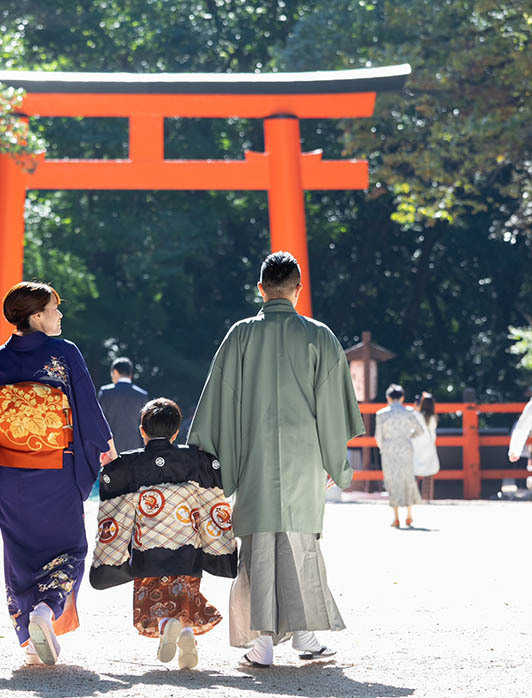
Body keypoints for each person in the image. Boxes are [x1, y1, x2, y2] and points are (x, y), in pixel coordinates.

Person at [187, 251, 363, 669]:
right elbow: (334, 408)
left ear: (260, 289)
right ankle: (305, 635)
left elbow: (220, 401)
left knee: (260, 544)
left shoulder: (241, 335)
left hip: (254, 454)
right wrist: (333, 461)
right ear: (298, 291)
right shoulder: (319, 335)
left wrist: (214, 462)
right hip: (305, 457)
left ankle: (264, 641)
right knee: (301, 543)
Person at [0, 281, 115, 666]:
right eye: (54, 309)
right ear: (36, 316)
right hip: (56, 473)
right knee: (72, 549)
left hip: (11, 477)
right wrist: (106, 448)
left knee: (20, 556)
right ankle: (48, 609)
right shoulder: (64, 353)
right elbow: (87, 407)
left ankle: (29, 635)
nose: (60, 315)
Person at [90, 398, 237, 669]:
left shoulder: (130, 464)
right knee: (185, 596)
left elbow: (114, 499)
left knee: (155, 598)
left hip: (148, 553)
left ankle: (168, 625)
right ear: (176, 431)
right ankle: (186, 636)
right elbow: (213, 494)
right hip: (187, 549)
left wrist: (111, 466)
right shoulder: (194, 459)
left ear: (142, 431)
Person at [375, 384, 422, 527]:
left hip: (389, 448)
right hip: (405, 447)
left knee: (392, 480)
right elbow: (419, 430)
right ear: (402, 397)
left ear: (388, 398)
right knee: (407, 479)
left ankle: (396, 518)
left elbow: (378, 436)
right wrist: (408, 436)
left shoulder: (381, 414)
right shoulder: (409, 412)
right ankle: (409, 515)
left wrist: (383, 447)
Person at [98, 357, 149, 453]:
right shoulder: (142, 395)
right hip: (135, 447)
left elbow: (100, 421)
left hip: (110, 448)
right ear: (131, 374)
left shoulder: (106, 392)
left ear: (115, 372)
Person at [412, 391, 440, 500]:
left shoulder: (416, 416)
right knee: (428, 475)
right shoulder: (434, 418)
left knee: (414, 473)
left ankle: (413, 498)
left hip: (417, 447)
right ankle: (427, 498)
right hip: (428, 447)